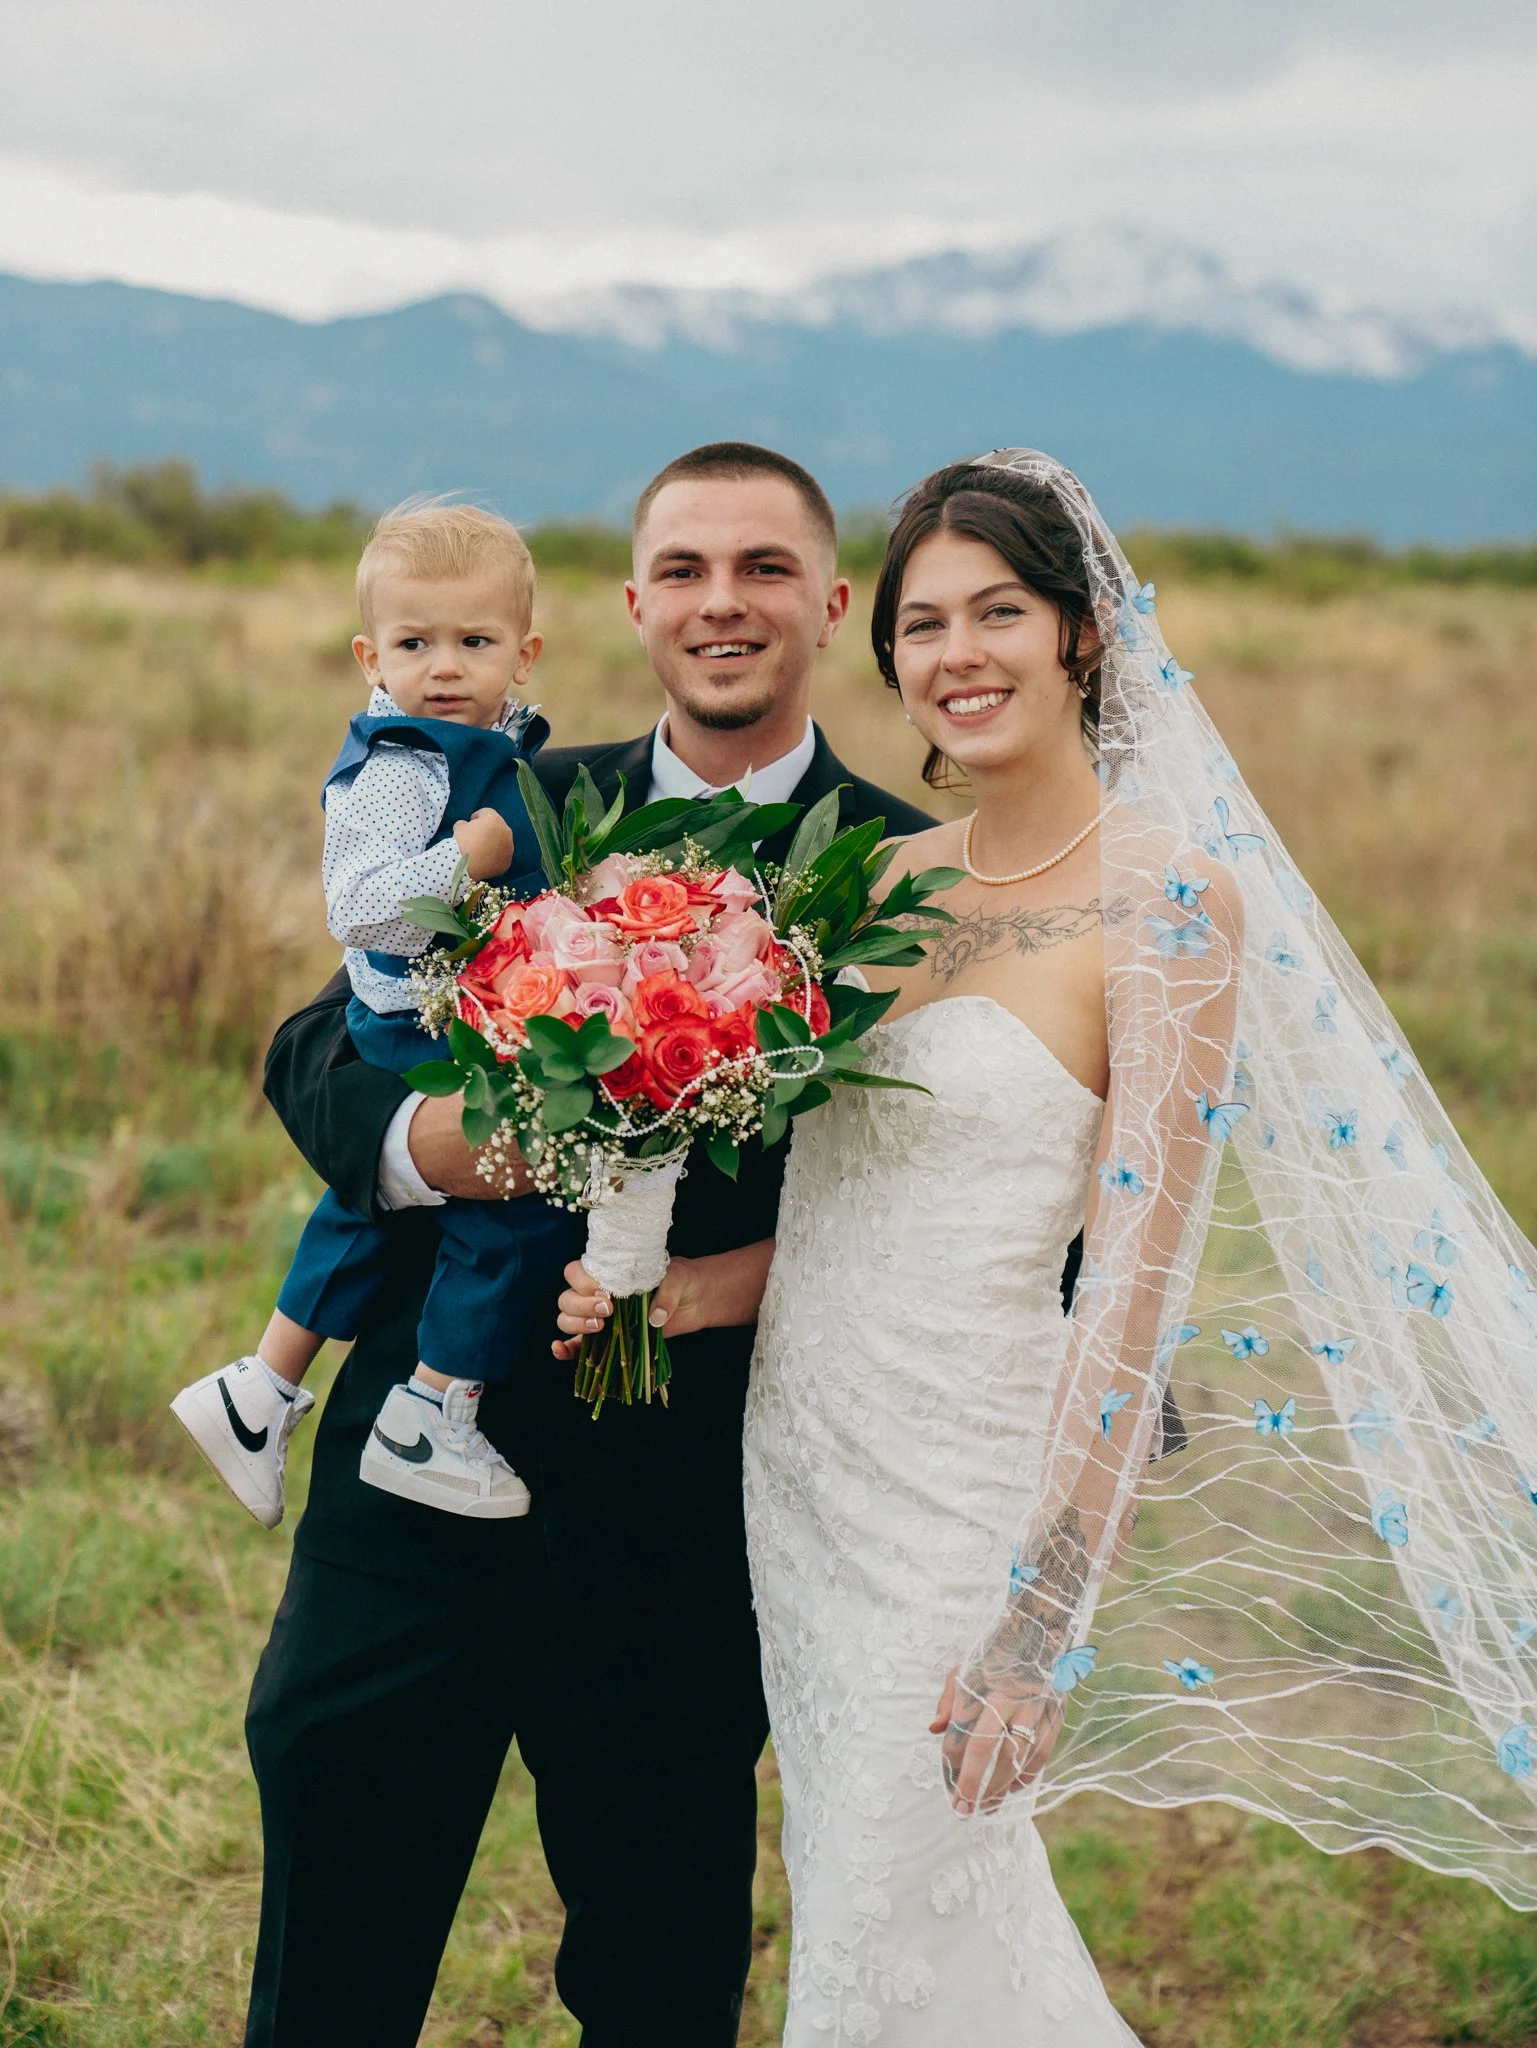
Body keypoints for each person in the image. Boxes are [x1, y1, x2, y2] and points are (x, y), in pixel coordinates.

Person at [559, 451, 1537, 2041]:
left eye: (998, 611)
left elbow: (1134, 1289)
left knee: (899, 1899)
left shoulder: (1167, 906)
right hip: (802, 1470)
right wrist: (667, 1281)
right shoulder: (870, 885)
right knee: (872, 1911)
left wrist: (1039, 1613)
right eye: (924, 622)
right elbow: (843, 1194)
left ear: (1083, 635)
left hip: (963, 1497)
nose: (958, 655)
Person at [244, 443, 934, 2047]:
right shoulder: (516, 793)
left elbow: (936, 1196)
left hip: (685, 1527)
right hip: (414, 1477)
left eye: (764, 569)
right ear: (628, 606)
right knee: (332, 1926)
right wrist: (435, 1148)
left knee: (659, 1962)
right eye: (684, 570)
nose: (722, 603)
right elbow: (317, 1048)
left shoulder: (903, 871)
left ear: (830, 604)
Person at [173, 502, 570, 1528]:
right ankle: (432, 1407)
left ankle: (258, 1389)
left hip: (454, 1010)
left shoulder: (485, 742)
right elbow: (357, 909)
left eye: (473, 641)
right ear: (370, 653)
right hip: (415, 1022)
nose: (444, 665)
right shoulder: (405, 764)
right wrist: (468, 860)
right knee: (512, 1207)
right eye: (415, 642)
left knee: (369, 1207)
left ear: (523, 654)